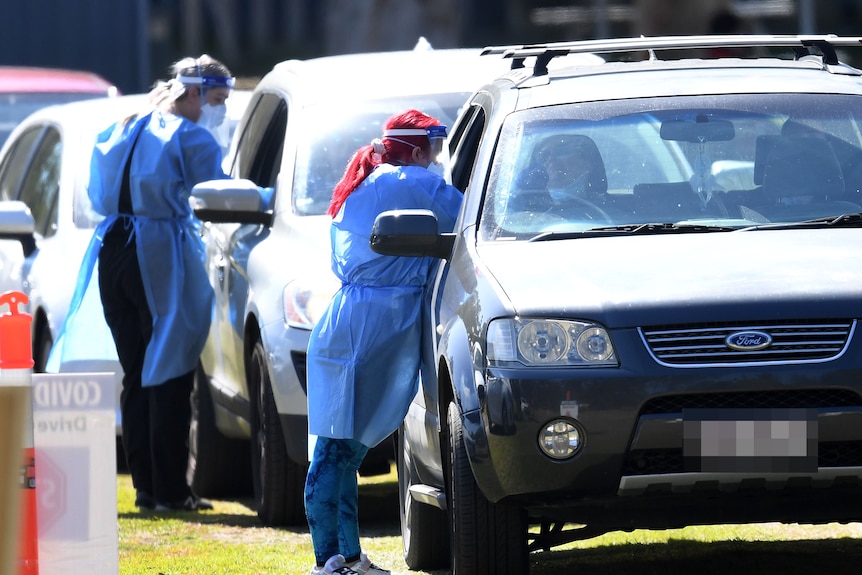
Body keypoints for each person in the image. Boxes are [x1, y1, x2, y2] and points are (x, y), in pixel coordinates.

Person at [49, 54, 234, 512]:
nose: (219, 111)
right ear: (193, 93)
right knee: (169, 371)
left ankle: (147, 487)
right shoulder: (189, 136)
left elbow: (97, 191)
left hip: (112, 247)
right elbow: (221, 191)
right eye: (216, 100)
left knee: (136, 371)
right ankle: (172, 490)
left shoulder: (126, 124)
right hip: (156, 253)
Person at [304, 109, 462, 575]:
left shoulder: (372, 179)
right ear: (415, 148)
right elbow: (473, 216)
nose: (434, 156)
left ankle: (346, 557)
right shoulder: (410, 181)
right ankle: (325, 562)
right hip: (368, 329)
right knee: (334, 451)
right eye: (431, 145)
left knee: (344, 450)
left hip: (356, 322)